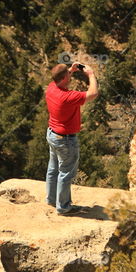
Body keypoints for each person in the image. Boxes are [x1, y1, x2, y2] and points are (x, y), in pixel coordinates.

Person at [44, 61, 98, 215]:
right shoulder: (67, 97)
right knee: (66, 173)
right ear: (64, 78)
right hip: (65, 140)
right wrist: (91, 75)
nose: (70, 75)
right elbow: (93, 94)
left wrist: (71, 70)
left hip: (53, 134)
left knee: (53, 169)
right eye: (68, 74)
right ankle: (64, 207)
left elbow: (60, 77)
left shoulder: (51, 88)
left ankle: (51, 199)